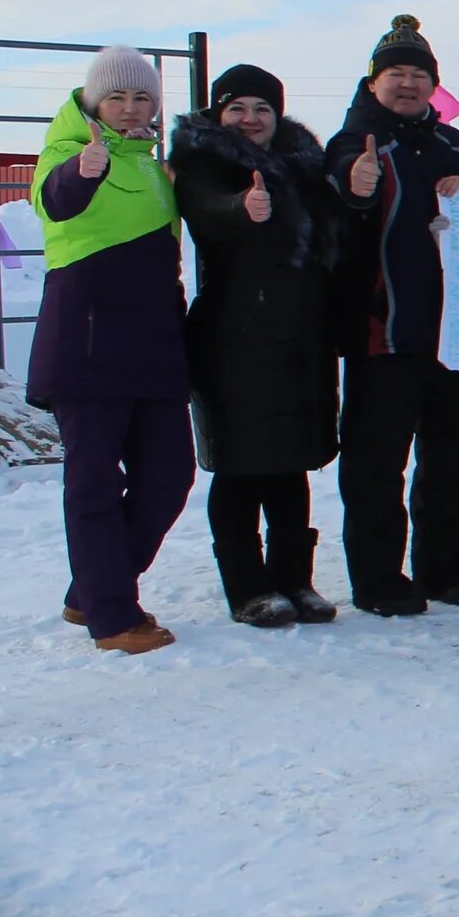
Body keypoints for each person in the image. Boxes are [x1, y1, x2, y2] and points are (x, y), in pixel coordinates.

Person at [30, 46, 194, 653]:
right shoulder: (68, 150)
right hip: (87, 344)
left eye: (142, 97)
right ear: (94, 101)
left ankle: (91, 588)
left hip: (154, 346)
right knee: (94, 482)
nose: (130, 109)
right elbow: (55, 199)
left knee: (169, 477)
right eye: (117, 97)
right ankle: (113, 617)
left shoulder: (155, 166)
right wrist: (84, 169)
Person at [327, 15, 459, 616]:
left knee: (450, 460)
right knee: (376, 466)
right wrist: (357, 184)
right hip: (382, 334)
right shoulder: (355, 144)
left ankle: (444, 570)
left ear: (433, 86)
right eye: (395, 73)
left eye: (418, 74)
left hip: (455, 336)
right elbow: (342, 199)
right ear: (373, 84)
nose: (407, 83)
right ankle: (377, 579)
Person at [173, 64, 342, 626]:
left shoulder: (304, 166)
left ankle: (295, 579)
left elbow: (338, 229)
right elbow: (203, 207)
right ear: (220, 115)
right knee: (242, 468)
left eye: (262, 109)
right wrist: (240, 210)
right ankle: (248, 587)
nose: (250, 119)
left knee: (290, 467)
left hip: (299, 336)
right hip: (235, 336)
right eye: (238, 108)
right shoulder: (203, 161)